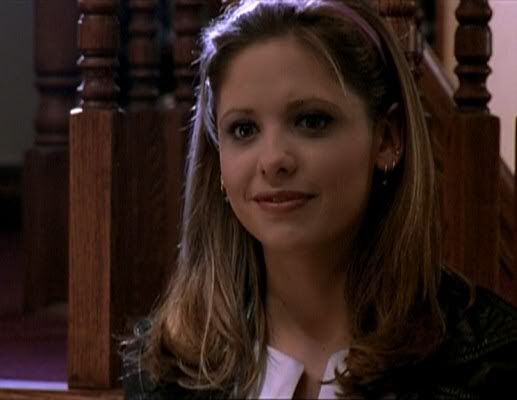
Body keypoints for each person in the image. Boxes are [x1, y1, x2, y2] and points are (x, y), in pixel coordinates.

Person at [122, 0, 517, 398]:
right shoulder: (166, 370)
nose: (273, 160)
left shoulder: (487, 367)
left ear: (387, 138)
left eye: (311, 121)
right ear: (219, 162)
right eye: (243, 129)